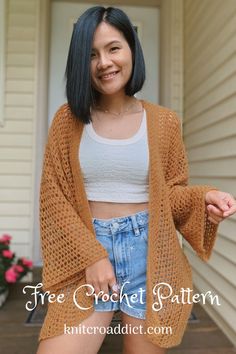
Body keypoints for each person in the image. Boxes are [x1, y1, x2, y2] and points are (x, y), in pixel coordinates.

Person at [36, 6, 236, 354]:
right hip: (88, 251)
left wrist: (202, 198)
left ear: (131, 48)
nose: (104, 63)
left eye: (114, 48)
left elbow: (169, 194)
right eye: (92, 54)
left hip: (150, 254)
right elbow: (54, 198)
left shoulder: (164, 122)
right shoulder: (67, 121)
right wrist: (92, 256)